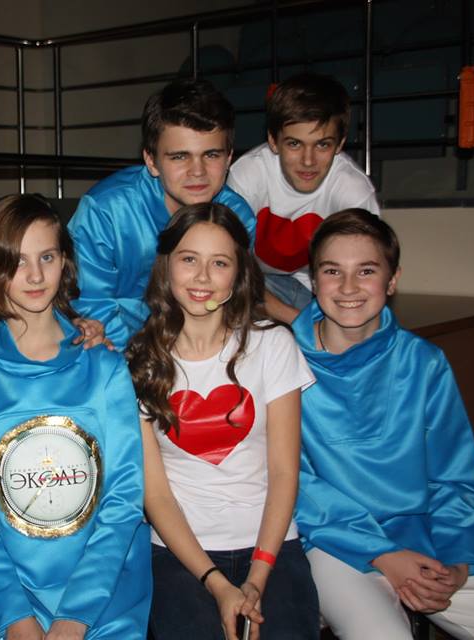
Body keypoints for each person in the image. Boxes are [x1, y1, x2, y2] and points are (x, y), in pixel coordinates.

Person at [293, 209, 474, 640]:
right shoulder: (281, 361)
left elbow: (455, 477)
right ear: (314, 282)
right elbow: (290, 484)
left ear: (392, 281)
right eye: (333, 271)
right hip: (332, 540)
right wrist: (383, 554)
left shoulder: (424, 362)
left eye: (366, 270)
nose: (349, 287)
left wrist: (458, 560)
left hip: (427, 536)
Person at [128, 203, 318, 640]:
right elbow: (156, 496)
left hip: (270, 546)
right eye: (188, 259)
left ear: (238, 273)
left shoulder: (272, 345)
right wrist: (217, 584)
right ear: (166, 266)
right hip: (180, 553)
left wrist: (257, 577)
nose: (202, 277)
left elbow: (284, 472)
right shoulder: (140, 361)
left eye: (219, 263)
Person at [0, 194, 151, 639]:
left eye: (46, 257)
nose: (35, 276)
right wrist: (14, 617)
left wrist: (75, 618)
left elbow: (124, 498)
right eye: (17, 261)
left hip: (108, 602)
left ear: (65, 262)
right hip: (15, 605)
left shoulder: (103, 366)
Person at [68, 78, 255, 348]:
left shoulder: (238, 216)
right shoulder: (107, 211)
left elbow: (237, 302)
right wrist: (153, 356)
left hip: (205, 348)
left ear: (229, 159)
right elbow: (91, 308)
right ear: (151, 161)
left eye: (211, 155)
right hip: (121, 349)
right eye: (179, 156)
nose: (198, 171)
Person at [227, 73, 379, 324]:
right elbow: (226, 268)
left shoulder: (353, 191)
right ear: (273, 141)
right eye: (295, 144)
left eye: (322, 145)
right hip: (257, 285)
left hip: (321, 290)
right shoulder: (247, 176)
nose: (308, 161)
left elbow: (368, 275)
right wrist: (299, 322)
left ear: (340, 144)